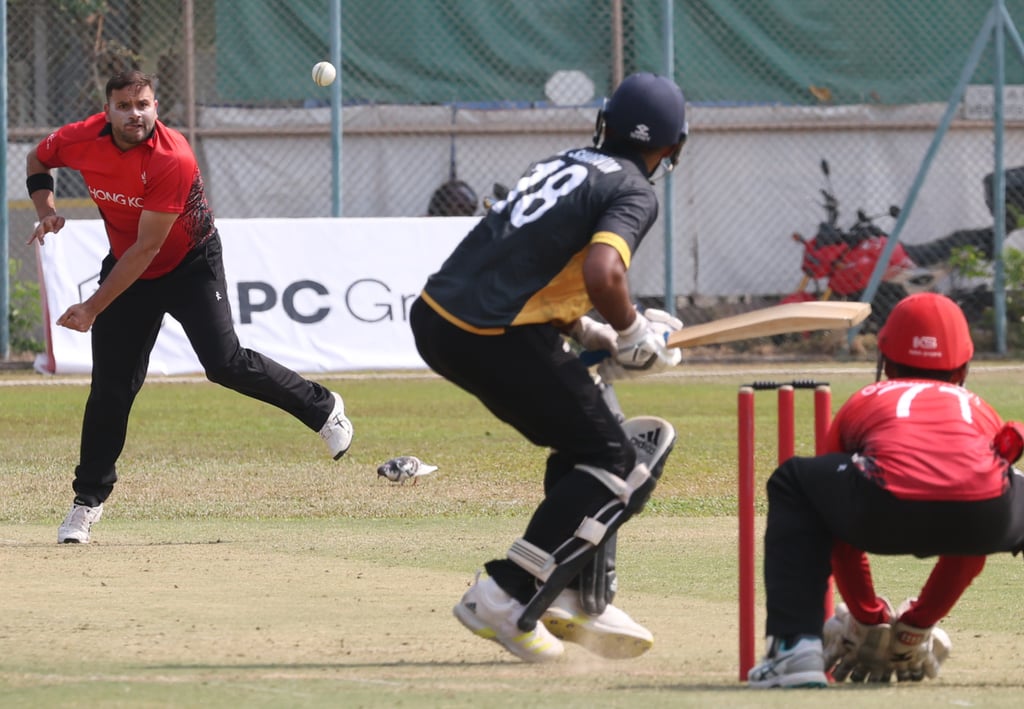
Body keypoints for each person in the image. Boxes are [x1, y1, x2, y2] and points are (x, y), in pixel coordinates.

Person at [409, 72, 688, 662]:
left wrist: (591, 330)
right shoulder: (636, 188)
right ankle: (506, 593)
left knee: (587, 440)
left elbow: (529, 264)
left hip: (441, 318)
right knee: (620, 460)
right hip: (492, 334)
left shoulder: (563, 164)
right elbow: (603, 274)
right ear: (673, 146)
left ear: (604, 124)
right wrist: (634, 333)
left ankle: (575, 596)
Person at [26, 69, 354, 544]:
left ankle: (323, 408)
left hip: (190, 264)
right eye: (124, 106)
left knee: (225, 363)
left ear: (156, 106)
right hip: (129, 268)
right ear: (108, 110)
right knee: (112, 390)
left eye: (143, 104)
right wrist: (45, 209)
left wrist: (93, 307)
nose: (135, 114)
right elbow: (38, 158)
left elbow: (147, 249)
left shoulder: (171, 156)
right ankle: (86, 504)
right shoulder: (81, 139)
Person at [749, 292, 1024, 688]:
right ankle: (910, 630)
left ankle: (794, 649)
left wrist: (866, 616)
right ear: (964, 365)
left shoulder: (867, 398)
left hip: (879, 510)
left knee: (798, 481)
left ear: (885, 360)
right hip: (984, 514)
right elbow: (971, 527)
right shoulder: (978, 406)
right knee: (986, 488)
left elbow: (834, 526)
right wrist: (918, 624)